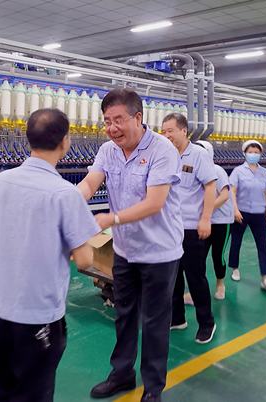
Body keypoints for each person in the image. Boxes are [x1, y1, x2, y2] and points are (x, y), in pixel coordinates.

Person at [0, 108, 100, 402]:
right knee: (34, 392)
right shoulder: (65, 194)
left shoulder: (1, 181)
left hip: (1, 307)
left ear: (28, 139)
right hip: (38, 316)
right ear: (65, 141)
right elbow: (85, 260)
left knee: (1, 388)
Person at [78, 89, 183, 402]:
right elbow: (90, 182)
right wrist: (67, 201)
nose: (112, 128)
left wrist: (110, 219)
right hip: (125, 250)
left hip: (159, 252)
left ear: (138, 118)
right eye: (107, 121)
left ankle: (153, 388)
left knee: (154, 322)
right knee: (124, 315)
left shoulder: (163, 150)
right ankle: (122, 374)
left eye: (118, 120)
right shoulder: (108, 150)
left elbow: (154, 203)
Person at [162, 113, 217, 344]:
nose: (166, 135)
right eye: (163, 131)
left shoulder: (198, 155)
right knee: (173, 277)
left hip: (192, 227)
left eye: (170, 131)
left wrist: (206, 219)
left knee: (196, 278)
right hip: (169, 227)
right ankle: (177, 318)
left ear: (184, 131)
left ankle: (207, 323)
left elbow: (210, 187)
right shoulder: (164, 154)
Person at [228, 140, 266, 290]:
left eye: (256, 152)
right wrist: (235, 210)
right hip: (241, 212)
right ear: (245, 153)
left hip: (259, 213)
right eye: (251, 152)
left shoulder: (264, 172)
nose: (253, 155)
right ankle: (235, 269)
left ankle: (265, 278)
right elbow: (232, 192)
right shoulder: (238, 171)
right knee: (236, 241)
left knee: (263, 245)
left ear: (260, 154)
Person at [196, 140, 234, 301]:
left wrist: (207, 210)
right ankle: (198, 289)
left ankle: (220, 284)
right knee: (199, 256)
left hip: (221, 221)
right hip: (203, 221)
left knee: (218, 255)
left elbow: (225, 196)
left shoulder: (217, 170)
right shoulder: (194, 172)